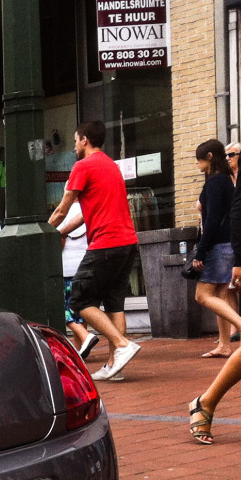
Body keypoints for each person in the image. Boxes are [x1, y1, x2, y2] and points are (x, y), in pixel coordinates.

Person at [49, 120, 141, 382]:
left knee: (79, 300)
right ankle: (115, 367)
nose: (74, 145)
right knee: (114, 304)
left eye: (76, 140)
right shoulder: (111, 166)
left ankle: (121, 346)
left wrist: (44, 231)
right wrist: (62, 231)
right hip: (127, 243)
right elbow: (84, 214)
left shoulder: (83, 166)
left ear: (85, 139)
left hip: (105, 244)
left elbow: (63, 208)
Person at [190, 140, 241, 359]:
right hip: (228, 244)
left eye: (199, 159)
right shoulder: (227, 181)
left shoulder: (214, 183)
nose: (197, 164)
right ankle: (224, 344)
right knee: (221, 294)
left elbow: (211, 220)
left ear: (209, 157)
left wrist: (201, 251)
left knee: (202, 295)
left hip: (217, 246)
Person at [57, 200, 97, 357]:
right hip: (87, 263)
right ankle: (80, 348)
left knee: (63, 308)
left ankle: (85, 335)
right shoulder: (89, 209)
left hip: (68, 267)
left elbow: (60, 241)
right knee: (81, 307)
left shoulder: (66, 213)